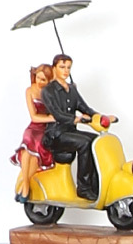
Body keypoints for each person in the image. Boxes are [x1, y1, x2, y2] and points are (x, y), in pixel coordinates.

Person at [40, 55, 114, 203]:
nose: (66, 71)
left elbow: (84, 107)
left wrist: (101, 117)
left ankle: (95, 184)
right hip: (56, 134)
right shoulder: (48, 91)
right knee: (84, 143)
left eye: (68, 68)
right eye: (62, 67)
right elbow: (57, 114)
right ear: (54, 68)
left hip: (70, 131)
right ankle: (83, 188)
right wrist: (76, 119)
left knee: (96, 141)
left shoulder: (72, 89)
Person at [11, 64, 56, 203]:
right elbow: (34, 116)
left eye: (43, 80)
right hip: (35, 126)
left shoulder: (51, 93)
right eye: (38, 77)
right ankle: (25, 185)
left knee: (37, 151)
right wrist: (51, 117)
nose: (40, 82)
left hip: (47, 128)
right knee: (27, 143)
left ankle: (25, 185)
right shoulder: (29, 91)